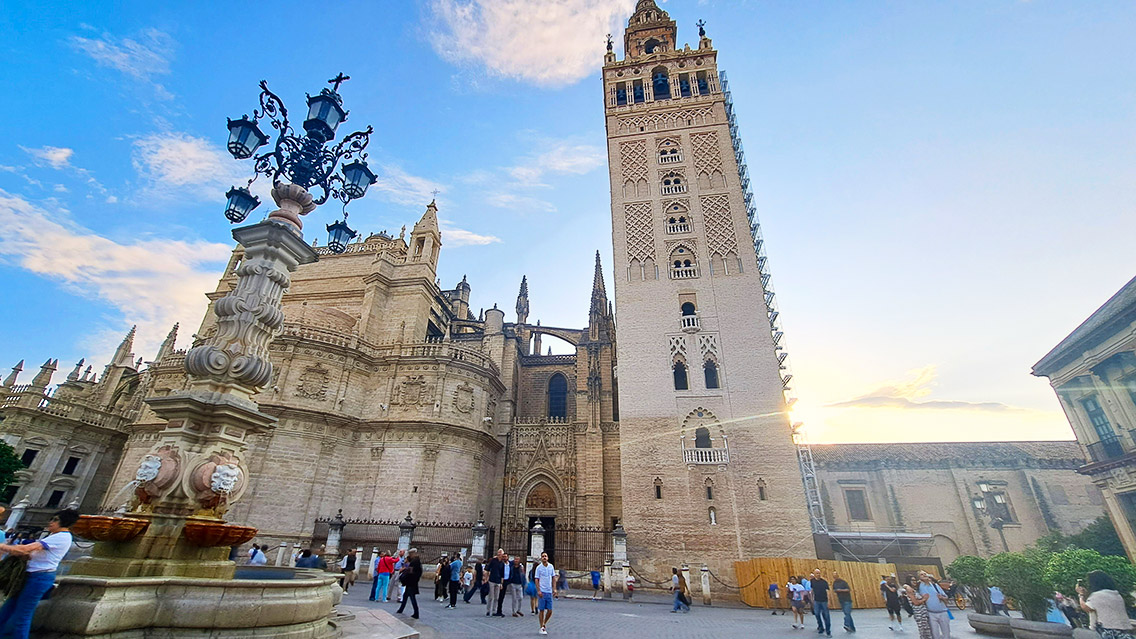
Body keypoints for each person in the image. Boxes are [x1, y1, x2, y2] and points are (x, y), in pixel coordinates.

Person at [0, 509, 78, 639]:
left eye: (55, 520)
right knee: (6, 611)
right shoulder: (54, 536)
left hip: (39, 578)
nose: (51, 522)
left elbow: (25, 549)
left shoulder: (61, 537)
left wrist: (3, 547)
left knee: (22, 615)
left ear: (65, 522)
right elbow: (28, 552)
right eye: (52, 519)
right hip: (30, 576)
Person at [1078, 570, 1133, 639]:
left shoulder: (1097, 595)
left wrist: (1081, 595)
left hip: (1109, 629)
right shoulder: (1116, 594)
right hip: (1124, 628)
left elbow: (1085, 607)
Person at [917, 571, 950, 639]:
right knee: (934, 634)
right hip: (930, 613)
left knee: (946, 632)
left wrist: (942, 597)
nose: (924, 575)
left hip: (942, 611)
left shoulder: (935, 585)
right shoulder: (919, 587)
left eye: (925, 574)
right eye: (921, 575)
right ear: (919, 578)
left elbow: (946, 597)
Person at [395, 550, 423, 619]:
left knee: (412, 598)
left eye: (410, 554)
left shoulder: (414, 562)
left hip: (411, 582)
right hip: (412, 582)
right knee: (405, 596)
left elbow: (410, 572)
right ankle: (401, 609)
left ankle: (416, 613)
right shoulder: (417, 561)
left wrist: (405, 577)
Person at [534, 551, 557, 635]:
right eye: (543, 556)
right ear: (541, 558)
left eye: (545, 556)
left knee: (550, 610)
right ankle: (541, 627)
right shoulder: (539, 568)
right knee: (542, 610)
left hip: (549, 591)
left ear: (547, 558)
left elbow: (553, 578)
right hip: (542, 591)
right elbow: (536, 579)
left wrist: (554, 589)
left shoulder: (551, 566)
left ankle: (544, 623)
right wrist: (538, 590)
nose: (544, 557)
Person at [484, 548, 507, 617]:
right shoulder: (493, 560)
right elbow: (487, 569)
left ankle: (494, 610)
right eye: (498, 552)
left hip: (498, 581)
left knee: (496, 597)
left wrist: (501, 583)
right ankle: (488, 610)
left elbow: (502, 574)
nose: (499, 554)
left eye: (500, 553)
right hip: (492, 580)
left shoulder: (502, 563)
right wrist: (486, 578)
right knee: (491, 596)